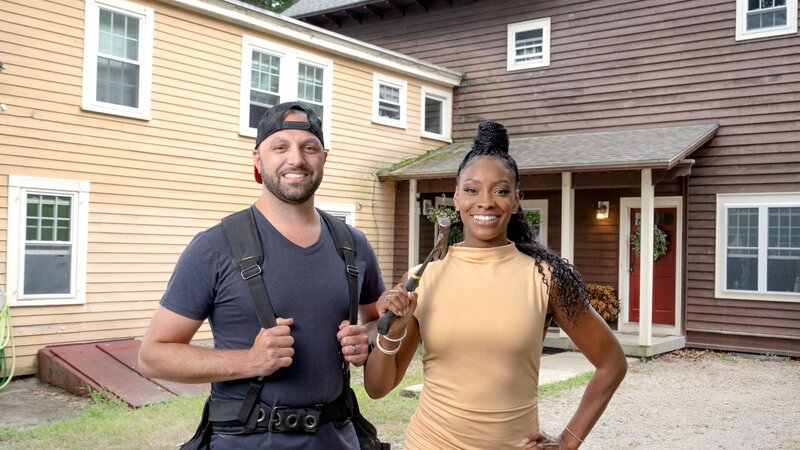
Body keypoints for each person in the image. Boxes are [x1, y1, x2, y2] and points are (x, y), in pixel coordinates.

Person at [364, 120, 628, 450]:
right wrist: (392, 333)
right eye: (472, 190)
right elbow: (377, 388)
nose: (485, 201)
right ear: (457, 197)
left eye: (500, 191)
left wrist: (568, 441)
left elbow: (612, 363)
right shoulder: (423, 278)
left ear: (516, 200)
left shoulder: (545, 277)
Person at [138, 102, 384, 449]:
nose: (296, 159)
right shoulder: (214, 247)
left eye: (308, 147)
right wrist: (248, 361)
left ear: (324, 159)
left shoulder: (353, 244)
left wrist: (366, 342)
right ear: (258, 160)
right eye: (280, 147)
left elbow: (373, 320)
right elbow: (153, 356)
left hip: (338, 437)